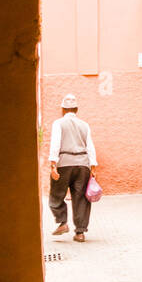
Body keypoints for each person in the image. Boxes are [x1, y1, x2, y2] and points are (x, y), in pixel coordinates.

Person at [48, 93, 98, 243]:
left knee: (56, 194)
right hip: (83, 165)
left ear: (63, 109)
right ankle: (80, 233)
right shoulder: (85, 125)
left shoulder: (58, 123)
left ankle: (62, 222)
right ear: (76, 109)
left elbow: (55, 143)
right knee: (81, 198)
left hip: (64, 164)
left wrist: (53, 164)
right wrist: (93, 166)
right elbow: (90, 146)